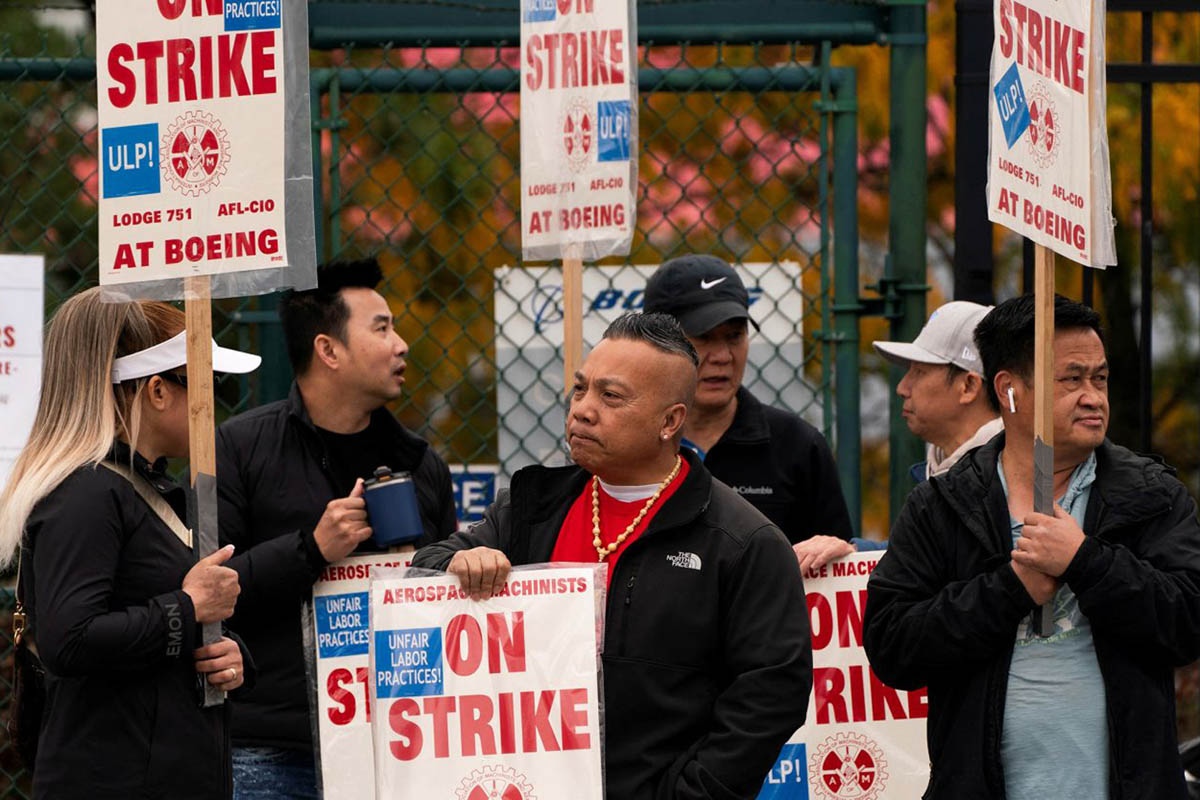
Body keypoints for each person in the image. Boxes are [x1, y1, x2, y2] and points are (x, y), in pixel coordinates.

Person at [413, 312, 812, 800]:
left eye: (611, 396)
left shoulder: (743, 541)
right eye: (580, 389)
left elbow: (771, 696)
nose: (582, 409)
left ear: (670, 421)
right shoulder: (530, 508)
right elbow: (423, 570)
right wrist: (457, 564)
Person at [863, 294, 1200, 799]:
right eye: (1072, 379)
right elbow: (893, 648)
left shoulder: (1150, 496)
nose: (1093, 396)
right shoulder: (943, 505)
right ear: (1009, 391)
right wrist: (1010, 590)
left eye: (1100, 378)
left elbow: (1189, 623)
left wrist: (1086, 562)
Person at [0, 288, 259, 798]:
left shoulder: (139, 487)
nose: (212, 401)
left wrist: (228, 654)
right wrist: (188, 608)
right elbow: (69, 639)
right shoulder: (87, 493)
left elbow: (151, 620)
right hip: (114, 777)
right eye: (202, 382)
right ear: (157, 390)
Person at [216, 259, 457, 798]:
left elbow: (449, 609)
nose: (402, 345)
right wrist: (312, 548)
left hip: (400, 741)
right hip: (274, 746)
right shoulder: (240, 449)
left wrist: (434, 566)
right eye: (382, 328)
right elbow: (208, 593)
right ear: (328, 350)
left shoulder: (420, 463)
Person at [642, 255, 854, 551]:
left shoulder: (797, 447)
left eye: (734, 336)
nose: (723, 356)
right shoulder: (629, 443)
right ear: (655, 342)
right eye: (703, 337)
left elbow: (837, 574)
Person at [795, 301, 1001, 571]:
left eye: (919, 372)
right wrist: (858, 553)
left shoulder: (1009, 479)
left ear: (969, 386)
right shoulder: (956, 469)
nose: (902, 387)